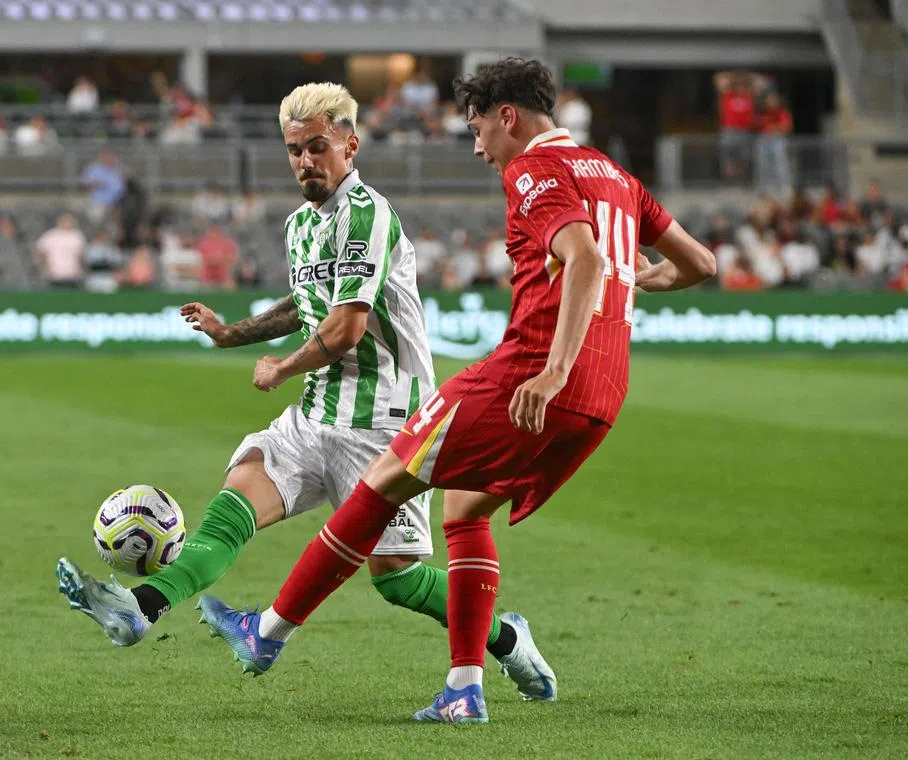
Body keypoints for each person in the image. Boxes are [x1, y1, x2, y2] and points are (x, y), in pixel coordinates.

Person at [197, 57, 717, 724]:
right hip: (605, 394)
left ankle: (265, 632)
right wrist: (636, 278)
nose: (477, 147)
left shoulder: (534, 167)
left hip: (530, 373)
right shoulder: (615, 176)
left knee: (381, 481)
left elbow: (585, 257)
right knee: (464, 510)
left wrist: (553, 368)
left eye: (478, 130)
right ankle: (464, 688)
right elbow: (699, 264)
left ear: (509, 118)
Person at [54, 81, 555, 703]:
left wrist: (278, 369)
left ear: (350, 144)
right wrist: (231, 332)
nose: (304, 161)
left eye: (317, 147)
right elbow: (307, 304)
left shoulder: (368, 214)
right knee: (238, 496)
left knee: (396, 579)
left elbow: (345, 328)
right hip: (317, 412)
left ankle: (506, 639)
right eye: (294, 150)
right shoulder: (300, 225)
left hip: (383, 422)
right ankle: (140, 607)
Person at [35, 213, 85, 287]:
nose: (68, 223)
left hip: (72, 273)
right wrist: (46, 265)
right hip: (55, 273)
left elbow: (80, 254)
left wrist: (79, 267)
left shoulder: (77, 235)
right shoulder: (51, 235)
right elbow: (40, 250)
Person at [80, 150, 126, 225]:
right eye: (107, 157)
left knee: (113, 227)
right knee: (96, 225)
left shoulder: (118, 170)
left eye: (112, 157)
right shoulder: (94, 169)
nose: (110, 159)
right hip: (99, 203)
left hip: (116, 204)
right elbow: (85, 182)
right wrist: (95, 183)